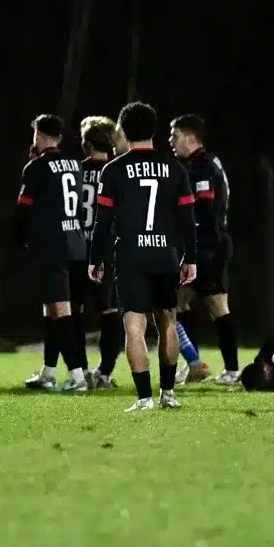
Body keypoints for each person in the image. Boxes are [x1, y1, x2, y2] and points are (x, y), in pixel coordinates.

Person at [89, 101, 197, 411]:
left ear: (123, 132)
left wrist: (96, 258)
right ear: (154, 130)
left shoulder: (113, 170)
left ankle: (144, 398)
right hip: (165, 253)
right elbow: (187, 218)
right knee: (168, 322)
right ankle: (168, 394)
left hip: (131, 254)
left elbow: (103, 221)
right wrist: (190, 257)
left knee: (134, 327)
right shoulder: (175, 168)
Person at [17, 114, 89, 393]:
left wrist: (22, 240)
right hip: (76, 244)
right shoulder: (74, 164)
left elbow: (23, 210)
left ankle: (77, 377)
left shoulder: (36, 167)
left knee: (60, 311)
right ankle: (48, 373)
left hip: (52, 245)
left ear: (40, 135)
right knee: (52, 309)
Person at [168, 114, 241, 384]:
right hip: (207, 244)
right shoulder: (205, 162)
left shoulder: (201, 167)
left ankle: (231, 370)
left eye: (175, 135)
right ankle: (195, 364)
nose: (171, 140)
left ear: (191, 137)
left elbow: (204, 211)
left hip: (207, 246)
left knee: (216, 305)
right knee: (177, 303)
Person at [72, 116, 125, 388]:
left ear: (88, 144)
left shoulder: (75, 172)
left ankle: (81, 372)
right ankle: (104, 373)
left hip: (77, 250)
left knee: (74, 313)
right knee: (111, 313)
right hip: (107, 252)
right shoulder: (118, 172)